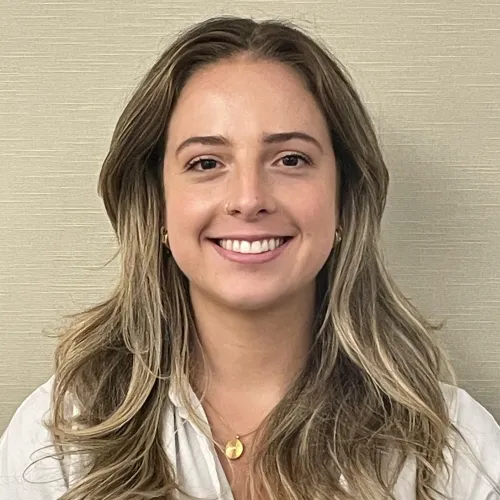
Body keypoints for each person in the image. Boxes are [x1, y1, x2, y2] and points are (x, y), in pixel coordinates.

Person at [1, 15, 499, 500]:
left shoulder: (454, 444)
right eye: (206, 163)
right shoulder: (61, 436)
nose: (248, 197)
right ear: (157, 206)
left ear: (344, 199)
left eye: (291, 160)